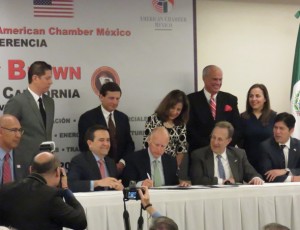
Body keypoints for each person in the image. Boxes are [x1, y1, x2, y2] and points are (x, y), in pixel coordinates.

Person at [0, 152, 87, 230]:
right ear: (58, 172)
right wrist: (65, 189)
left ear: (30, 170)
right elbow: (80, 222)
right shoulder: (51, 196)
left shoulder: (4, 189)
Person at [4, 61, 54, 178]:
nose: (51, 82)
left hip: (46, 163)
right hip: (23, 164)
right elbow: (7, 133)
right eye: (47, 78)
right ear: (35, 78)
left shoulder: (50, 102)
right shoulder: (17, 102)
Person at [78, 82, 134, 173]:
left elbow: (129, 144)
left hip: (122, 171)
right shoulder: (87, 118)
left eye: (117, 99)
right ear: (101, 97)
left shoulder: (123, 118)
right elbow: (84, 146)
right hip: (97, 170)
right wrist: (106, 164)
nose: (115, 102)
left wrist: (122, 162)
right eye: (111, 98)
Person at [187, 65, 241, 153]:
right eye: (215, 79)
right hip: (200, 153)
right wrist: (211, 147)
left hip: (225, 152)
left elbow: (237, 128)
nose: (218, 83)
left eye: (220, 79)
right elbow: (189, 129)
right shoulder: (190, 100)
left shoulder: (230, 99)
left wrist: (223, 146)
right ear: (204, 78)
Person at [190, 121, 264, 185]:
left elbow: (252, 173)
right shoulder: (198, 155)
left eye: (220, 139)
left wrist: (255, 178)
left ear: (228, 141)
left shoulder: (239, 154)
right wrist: (222, 182)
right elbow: (197, 180)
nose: (215, 142)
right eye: (213, 137)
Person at [68, 125, 124, 192]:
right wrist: (97, 183)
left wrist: (119, 187)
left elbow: (112, 186)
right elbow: (71, 185)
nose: (106, 144)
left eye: (108, 140)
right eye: (101, 140)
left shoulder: (111, 162)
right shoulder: (79, 161)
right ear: (90, 143)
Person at [143, 89, 189, 167]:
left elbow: (181, 149)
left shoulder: (181, 124)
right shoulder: (153, 119)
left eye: (178, 109)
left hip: (171, 165)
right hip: (152, 163)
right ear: (166, 105)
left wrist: (174, 167)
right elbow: (146, 144)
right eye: (172, 108)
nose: (175, 112)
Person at [239, 84, 276, 172]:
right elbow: (239, 142)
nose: (254, 99)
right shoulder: (242, 117)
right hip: (248, 164)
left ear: (265, 99)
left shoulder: (274, 117)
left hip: (270, 165)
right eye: (251, 96)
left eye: (257, 96)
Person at [259, 112, 300, 182]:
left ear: (291, 130)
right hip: (274, 189)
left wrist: (286, 171)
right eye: (275, 127)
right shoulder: (265, 146)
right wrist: (293, 179)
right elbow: (267, 175)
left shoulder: (298, 145)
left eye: (281, 128)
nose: (277, 132)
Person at [0, 115, 24, 183]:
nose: (18, 135)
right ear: (0, 132)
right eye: (14, 130)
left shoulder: (25, 158)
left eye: (20, 130)